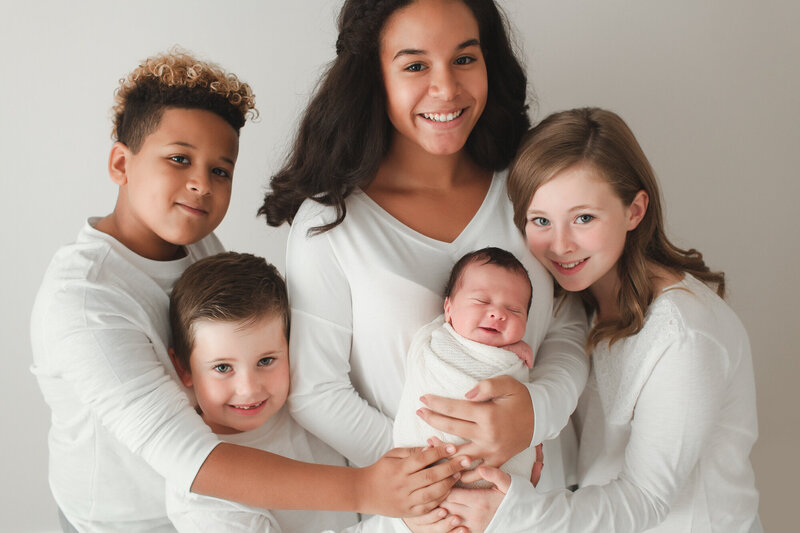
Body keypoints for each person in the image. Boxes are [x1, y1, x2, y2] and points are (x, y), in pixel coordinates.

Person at [30, 49, 464, 533]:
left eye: (220, 170)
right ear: (120, 163)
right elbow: (193, 460)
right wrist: (367, 488)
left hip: (217, 506)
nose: (200, 185)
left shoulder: (195, 245)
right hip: (127, 522)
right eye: (179, 159)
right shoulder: (86, 302)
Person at [260, 1, 590, 528]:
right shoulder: (331, 224)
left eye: (464, 58)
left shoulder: (530, 188)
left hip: (539, 508)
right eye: (415, 65)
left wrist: (535, 414)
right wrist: (427, 477)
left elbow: (569, 325)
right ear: (374, 76)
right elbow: (316, 391)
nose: (447, 89)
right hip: (418, 519)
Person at [454, 106, 760, 532]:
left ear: (634, 211)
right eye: (541, 220)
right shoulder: (577, 304)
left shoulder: (685, 334)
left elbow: (646, 498)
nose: (560, 244)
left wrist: (513, 513)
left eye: (584, 218)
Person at [166, 252, 359, 532]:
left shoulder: (315, 403)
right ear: (184, 369)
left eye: (266, 361)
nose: (249, 389)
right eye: (222, 368)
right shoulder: (202, 499)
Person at [393, 247, 544, 487]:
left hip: (498, 471)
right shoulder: (436, 343)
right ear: (449, 309)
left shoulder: (514, 360)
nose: (497, 314)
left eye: (514, 310)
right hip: (433, 458)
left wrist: (506, 352)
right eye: (482, 301)